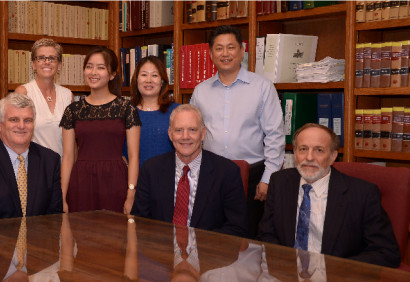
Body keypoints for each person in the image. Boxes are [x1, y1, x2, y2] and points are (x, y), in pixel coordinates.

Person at [257, 123, 400, 268]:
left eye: (319, 150)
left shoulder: (362, 194)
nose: (309, 157)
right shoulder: (279, 182)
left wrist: (335, 269)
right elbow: (266, 235)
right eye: (303, 149)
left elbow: (386, 252)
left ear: (333, 156)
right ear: (295, 153)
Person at [190, 25, 284, 238]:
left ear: (242, 51)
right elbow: (194, 135)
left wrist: (268, 178)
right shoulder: (200, 91)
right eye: (219, 48)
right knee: (211, 237)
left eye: (231, 47)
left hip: (253, 176)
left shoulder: (262, 87)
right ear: (211, 53)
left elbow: (275, 135)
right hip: (211, 176)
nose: (225, 54)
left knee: (250, 240)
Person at [131, 104, 248, 237]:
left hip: (208, 253)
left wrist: (194, 246)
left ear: (203, 133)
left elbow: (237, 228)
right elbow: (140, 221)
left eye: (192, 130)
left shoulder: (227, 172)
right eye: (179, 130)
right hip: (162, 251)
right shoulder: (150, 170)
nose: (185, 136)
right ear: (170, 134)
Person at [60, 46, 141, 214]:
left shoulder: (126, 108)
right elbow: (68, 157)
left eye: (101, 67)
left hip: (116, 180)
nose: (93, 72)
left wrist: (131, 193)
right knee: (82, 234)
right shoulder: (72, 110)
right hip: (81, 182)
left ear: (112, 75)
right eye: (89, 66)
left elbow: (133, 156)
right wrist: (62, 196)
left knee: (116, 236)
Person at [0, 93, 62, 222]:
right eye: (14, 119)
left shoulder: (50, 161)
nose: (21, 126)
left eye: (27, 120)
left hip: (38, 240)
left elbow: (54, 219)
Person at [14, 38, 73, 156]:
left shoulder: (67, 95)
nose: (47, 62)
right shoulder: (23, 93)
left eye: (52, 58)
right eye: (41, 58)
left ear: (59, 65)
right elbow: (16, 136)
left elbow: (71, 143)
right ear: (33, 64)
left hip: (62, 167)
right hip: (33, 167)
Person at [127, 55, 178, 168]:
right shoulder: (125, 112)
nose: (148, 80)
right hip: (132, 180)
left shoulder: (177, 112)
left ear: (162, 82)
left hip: (168, 179)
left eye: (154, 75)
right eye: (144, 75)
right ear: (136, 80)